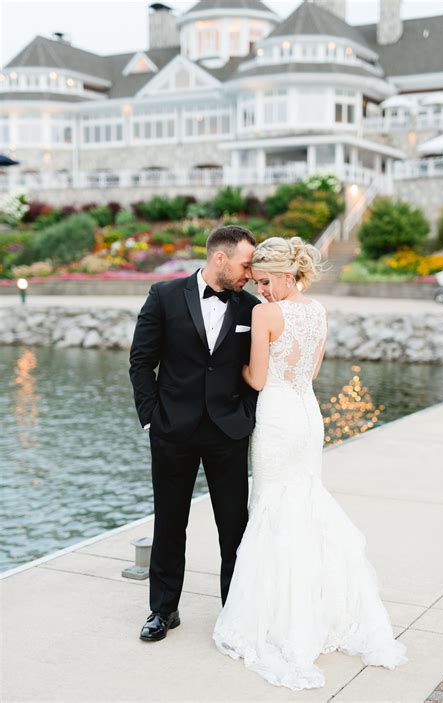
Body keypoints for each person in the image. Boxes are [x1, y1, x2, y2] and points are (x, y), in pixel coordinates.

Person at [213, 236, 408, 690]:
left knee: (273, 507)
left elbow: (258, 379)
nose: (260, 289)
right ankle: (316, 609)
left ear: (284, 274)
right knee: (304, 502)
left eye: (265, 281)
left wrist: (234, 369)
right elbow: (313, 372)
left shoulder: (265, 314)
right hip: (306, 413)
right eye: (256, 282)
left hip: (278, 417)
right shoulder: (318, 311)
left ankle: (280, 617)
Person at [129, 225, 259, 642]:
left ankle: (235, 612)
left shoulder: (251, 308)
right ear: (220, 258)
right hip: (172, 431)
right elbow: (141, 362)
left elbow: (260, 374)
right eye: (245, 264)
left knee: (234, 527)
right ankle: (163, 610)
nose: (250, 274)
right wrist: (151, 418)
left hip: (228, 432)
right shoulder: (164, 296)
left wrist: (247, 419)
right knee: (169, 523)